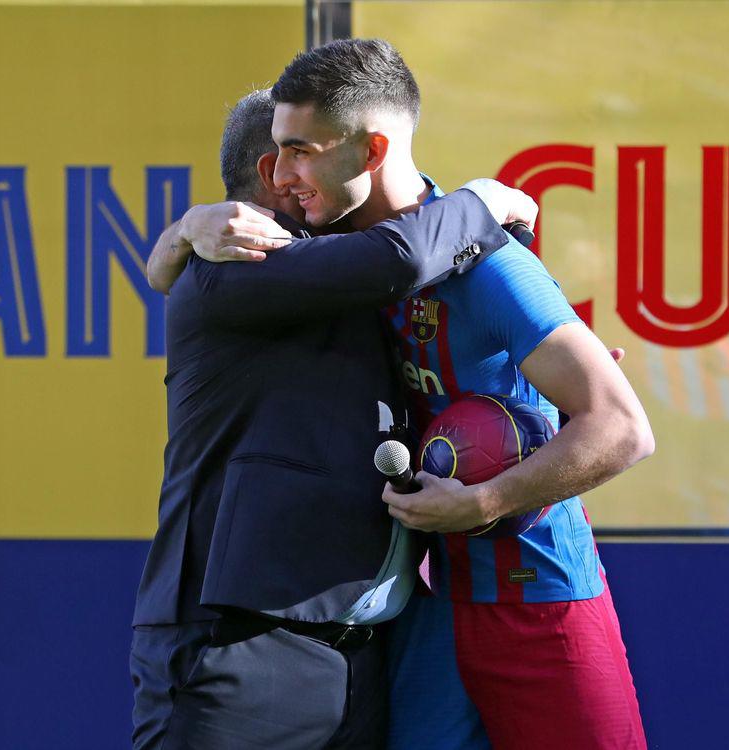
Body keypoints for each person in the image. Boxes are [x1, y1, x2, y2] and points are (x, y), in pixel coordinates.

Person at [262, 40, 655, 749]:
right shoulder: (336, 263)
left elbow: (623, 426)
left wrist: (485, 502)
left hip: (540, 594)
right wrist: (187, 233)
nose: (282, 177)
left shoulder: (491, 269)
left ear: (374, 150)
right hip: (427, 607)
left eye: (301, 151)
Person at [130, 86, 539, 749]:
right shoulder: (232, 264)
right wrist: (483, 202)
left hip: (355, 653)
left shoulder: (335, 272)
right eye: (321, 154)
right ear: (277, 174)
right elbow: (399, 255)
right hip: (237, 650)